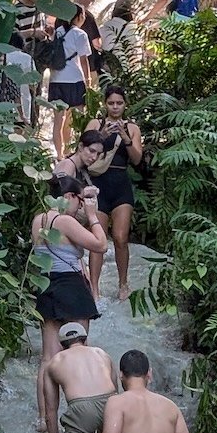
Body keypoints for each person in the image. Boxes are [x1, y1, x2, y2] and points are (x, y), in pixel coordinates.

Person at [30, 175, 106, 433]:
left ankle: (44, 419)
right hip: (71, 288)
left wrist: (85, 208)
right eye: (79, 199)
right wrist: (94, 216)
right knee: (77, 353)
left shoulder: (39, 219)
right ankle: (81, 415)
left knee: (48, 358)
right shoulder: (63, 221)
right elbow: (100, 245)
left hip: (46, 286)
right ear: (70, 197)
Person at [85, 87, 144, 303]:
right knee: (97, 240)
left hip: (121, 186)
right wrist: (103, 136)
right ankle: (94, 288)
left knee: (120, 237)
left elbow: (137, 160)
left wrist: (125, 137)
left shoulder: (132, 128)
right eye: (111, 103)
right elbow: (84, 152)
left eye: (119, 103)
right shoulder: (95, 124)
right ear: (105, 104)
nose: (115, 107)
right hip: (98, 185)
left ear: (125, 104)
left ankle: (123, 283)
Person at [45, 6, 93, 157]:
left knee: (58, 122)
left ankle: (60, 156)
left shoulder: (57, 32)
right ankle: (74, 153)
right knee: (77, 121)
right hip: (75, 80)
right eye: (83, 15)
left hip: (56, 81)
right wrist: (88, 81)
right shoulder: (80, 34)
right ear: (78, 17)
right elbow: (84, 60)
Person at [73, 0, 103, 85]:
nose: (90, 3)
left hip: (65, 68)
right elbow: (96, 44)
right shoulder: (87, 16)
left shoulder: (62, 14)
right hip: (88, 66)